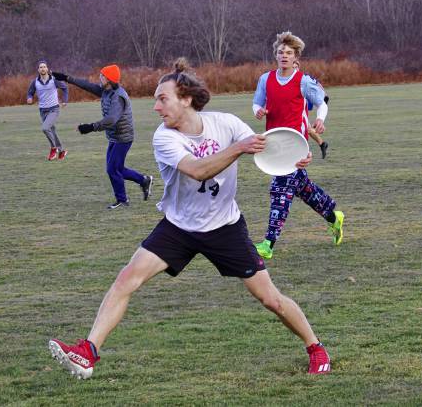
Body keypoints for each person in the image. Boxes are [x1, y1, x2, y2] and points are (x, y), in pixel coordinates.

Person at [48, 59, 332, 378]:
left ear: (185, 99)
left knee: (271, 299)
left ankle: (316, 348)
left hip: (225, 228)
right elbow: (198, 170)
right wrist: (238, 149)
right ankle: (88, 351)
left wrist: (295, 157)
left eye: (162, 98)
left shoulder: (225, 124)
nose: (156, 107)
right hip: (179, 227)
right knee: (127, 278)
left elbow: (265, 150)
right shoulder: (164, 138)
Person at [252, 31, 344, 259]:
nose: (284, 56)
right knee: (304, 189)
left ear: (296, 58)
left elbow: (321, 102)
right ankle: (334, 217)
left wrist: (320, 119)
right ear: (276, 56)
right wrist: (259, 111)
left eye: (289, 53)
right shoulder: (266, 79)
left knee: (280, 190)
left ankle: (268, 243)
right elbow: (256, 103)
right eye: (281, 52)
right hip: (275, 146)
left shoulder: (303, 81)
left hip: (296, 146)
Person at [52, 65, 153, 208]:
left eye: (102, 76)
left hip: (123, 138)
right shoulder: (106, 90)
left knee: (112, 170)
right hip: (114, 136)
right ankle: (143, 180)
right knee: (116, 169)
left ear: (109, 79)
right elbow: (87, 85)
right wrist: (67, 78)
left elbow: (111, 119)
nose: (100, 77)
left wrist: (90, 127)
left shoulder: (118, 96)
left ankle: (123, 200)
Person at [26, 60, 69, 161]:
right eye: (41, 67)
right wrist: (29, 98)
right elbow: (30, 92)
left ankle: (54, 148)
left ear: (47, 68)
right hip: (42, 111)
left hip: (54, 109)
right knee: (51, 130)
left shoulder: (54, 80)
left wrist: (64, 101)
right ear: (38, 70)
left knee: (45, 128)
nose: (42, 69)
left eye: (44, 67)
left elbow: (65, 88)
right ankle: (62, 150)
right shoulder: (35, 82)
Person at [294, 61, 330, 159]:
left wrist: (324, 98)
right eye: (293, 67)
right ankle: (322, 144)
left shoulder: (305, 78)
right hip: (300, 104)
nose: (294, 68)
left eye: (296, 67)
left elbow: (318, 85)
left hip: (305, 103)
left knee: (306, 128)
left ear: (299, 67)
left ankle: (304, 151)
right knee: (308, 129)